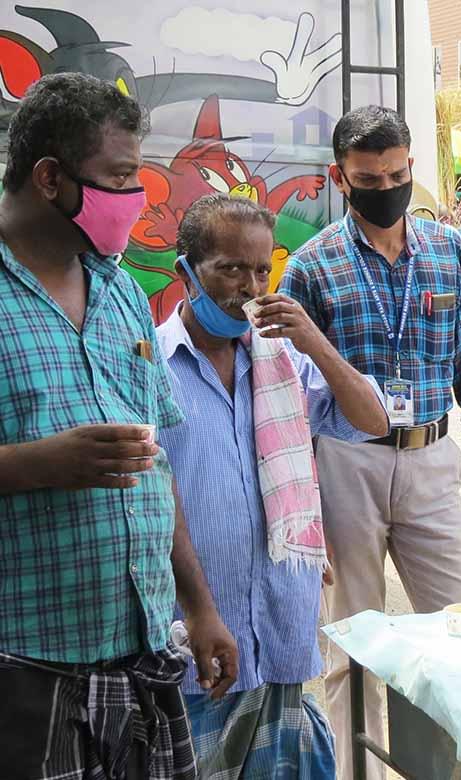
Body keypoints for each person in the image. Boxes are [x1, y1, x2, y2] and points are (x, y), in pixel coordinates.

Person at [0, 72, 238, 779]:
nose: (137, 197)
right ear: (50, 178)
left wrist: (200, 608)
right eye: (119, 178)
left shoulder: (124, 292)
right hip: (25, 670)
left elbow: (155, 467)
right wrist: (35, 465)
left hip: (143, 659)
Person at [278, 105, 461, 780]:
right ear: (340, 178)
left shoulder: (446, 251)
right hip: (345, 465)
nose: (386, 188)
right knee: (352, 645)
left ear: (411, 166)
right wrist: (300, 505)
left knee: (459, 632)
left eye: (396, 174)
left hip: (432, 459)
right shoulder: (312, 267)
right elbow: (288, 399)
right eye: (368, 179)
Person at [157, 194, 388, 778]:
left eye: (263, 270)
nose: (250, 287)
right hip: (198, 643)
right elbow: (152, 499)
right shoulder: (152, 366)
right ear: (186, 271)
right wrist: (198, 612)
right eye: (231, 269)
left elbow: (372, 420)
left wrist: (314, 342)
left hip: (280, 633)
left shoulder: (281, 360)